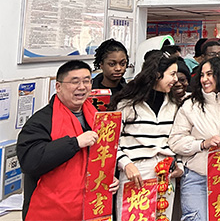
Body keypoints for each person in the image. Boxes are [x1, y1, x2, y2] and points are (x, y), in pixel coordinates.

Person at [17, 60, 119, 221]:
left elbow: (103, 156)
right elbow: (30, 161)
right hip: (51, 211)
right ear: (58, 87)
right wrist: (74, 143)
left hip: (89, 210)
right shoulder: (41, 121)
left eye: (87, 81)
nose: (82, 87)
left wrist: (107, 178)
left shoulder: (97, 118)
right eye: (75, 82)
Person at [168, 57, 220, 220]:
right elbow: (175, 141)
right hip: (196, 177)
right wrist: (202, 144)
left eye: (210, 74)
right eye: (202, 75)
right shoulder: (191, 105)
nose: (204, 79)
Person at [109, 51, 183, 221]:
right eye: (172, 74)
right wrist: (126, 164)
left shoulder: (174, 105)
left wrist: (178, 164)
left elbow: (176, 139)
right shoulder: (127, 104)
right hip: (136, 172)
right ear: (157, 74)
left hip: (165, 173)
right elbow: (110, 142)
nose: (176, 80)